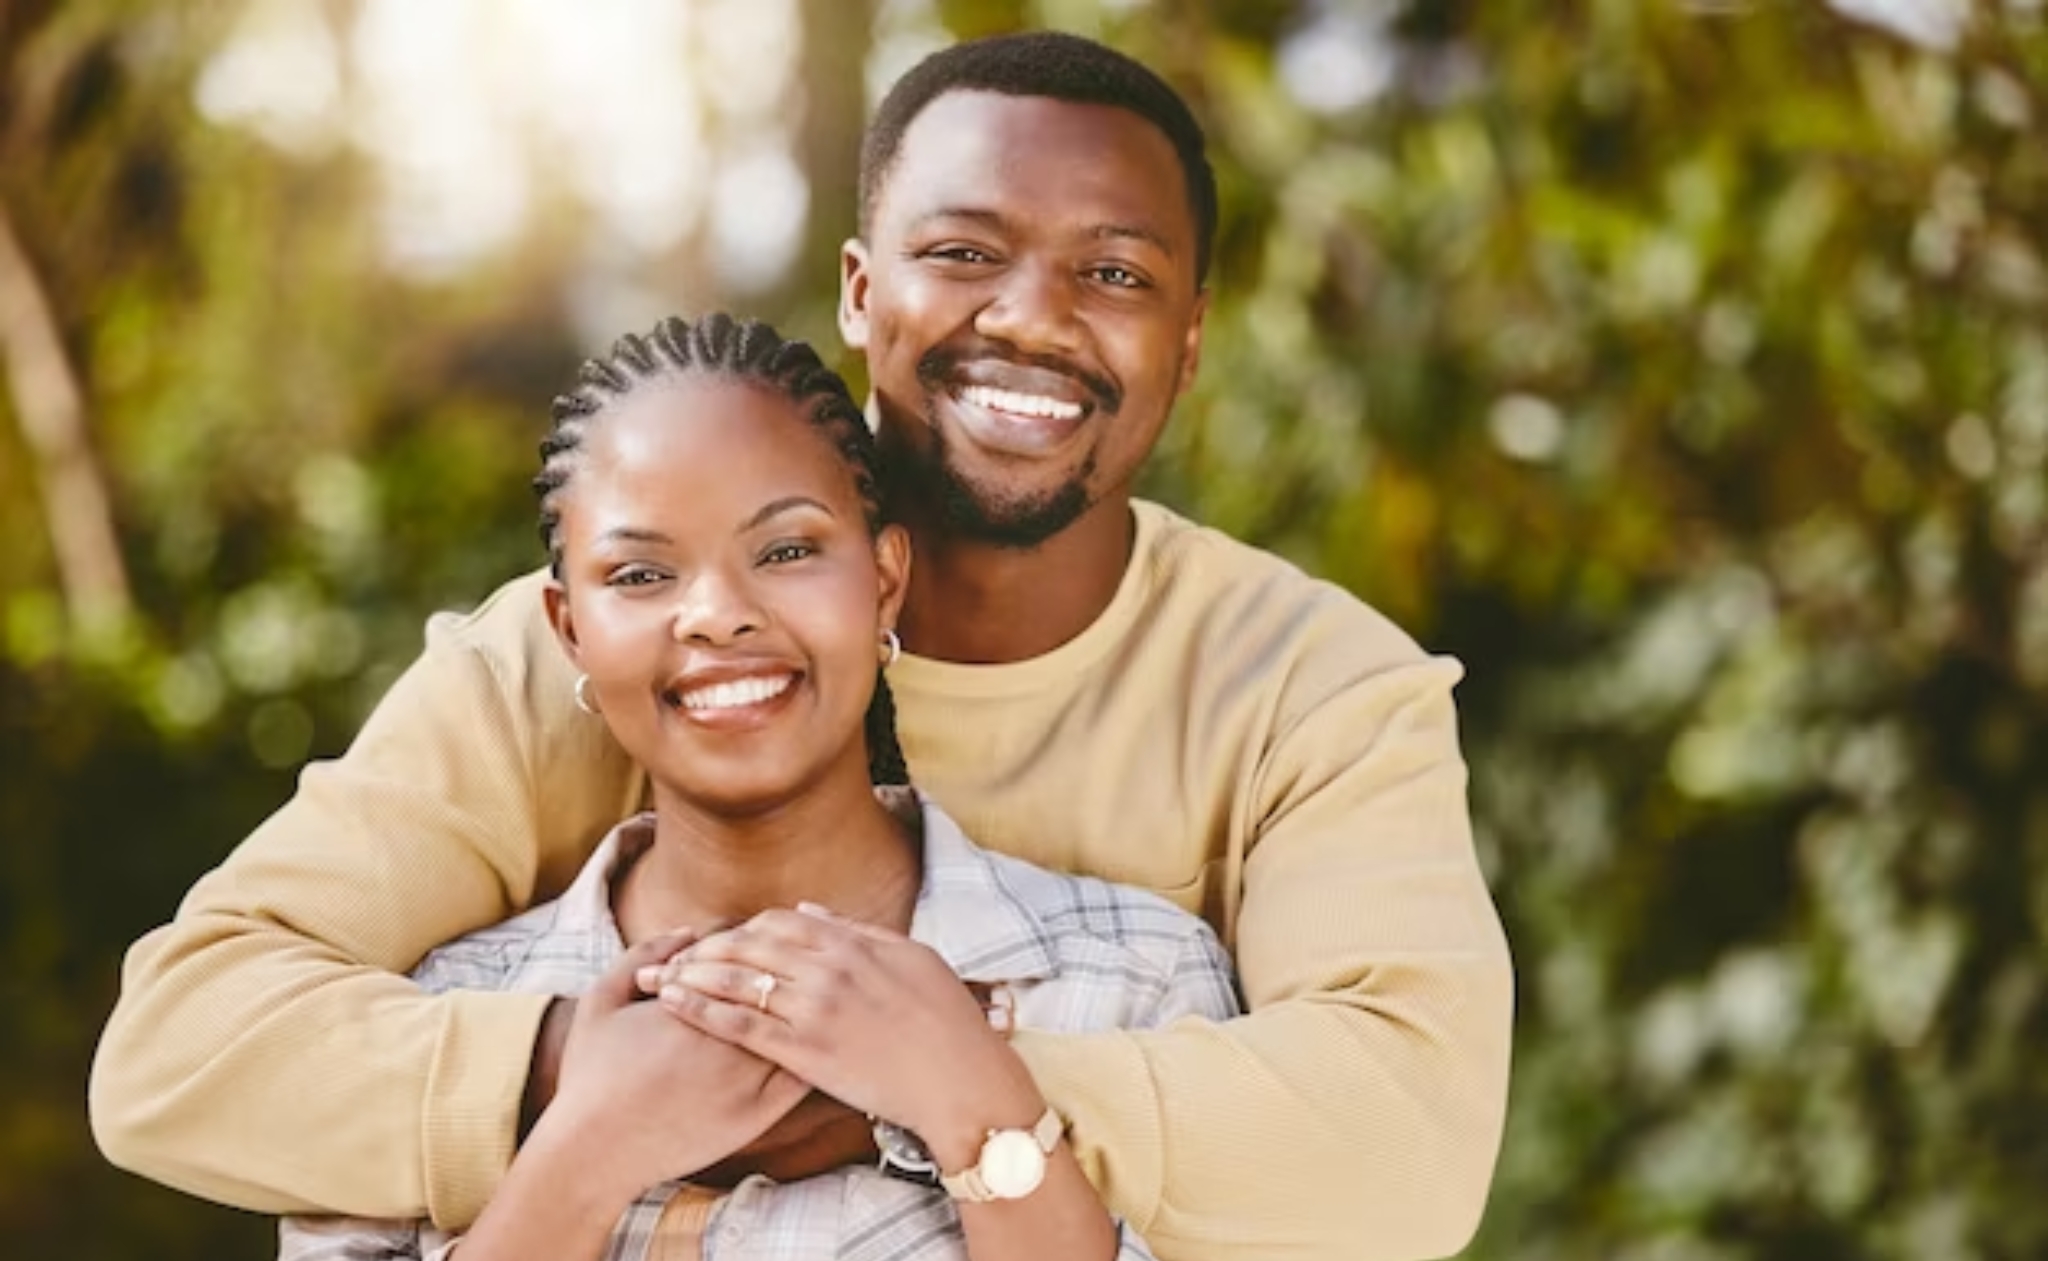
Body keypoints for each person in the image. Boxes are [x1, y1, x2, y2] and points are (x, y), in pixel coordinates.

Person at [91, 30, 1514, 1261]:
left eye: (1116, 275)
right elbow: (183, 1049)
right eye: (962, 253)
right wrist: (588, 1074)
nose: (1029, 316)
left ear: (1191, 340)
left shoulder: (1311, 694)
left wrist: (936, 1083)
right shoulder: (582, 667)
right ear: (856, 289)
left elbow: (1407, 1145)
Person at [276, 312, 1240, 1261]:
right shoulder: (436, 1016)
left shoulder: (1138, 979)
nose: (719, 614)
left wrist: (981, 1109)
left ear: (885, 581)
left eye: (785, 551)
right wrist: (580, 1157)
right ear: (570, 628)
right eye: (643, 572)